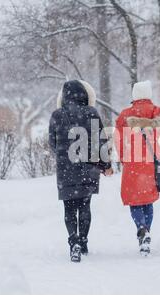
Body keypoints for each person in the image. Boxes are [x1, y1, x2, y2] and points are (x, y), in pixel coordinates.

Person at [49, 80, 113, 263]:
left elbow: (52, 144)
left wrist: (64, 155)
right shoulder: (91, 113)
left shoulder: (56, 115)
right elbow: (100, 143)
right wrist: (106, 165)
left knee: (69, 208)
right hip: (87, 169)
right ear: (85, 94)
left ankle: (73, 243)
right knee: (84, 207)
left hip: (65, 170)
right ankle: (83, 242)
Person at [115, 80, 160, 256]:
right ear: (149, 94)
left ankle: (141, 229)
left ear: (134, 95)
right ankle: (146, 231)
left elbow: (118, 139)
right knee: (148, 199)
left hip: (132, 162)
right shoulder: (158, 113)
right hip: (151, 161)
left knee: (135, 200)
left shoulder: (125, 115)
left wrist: (123, 158)